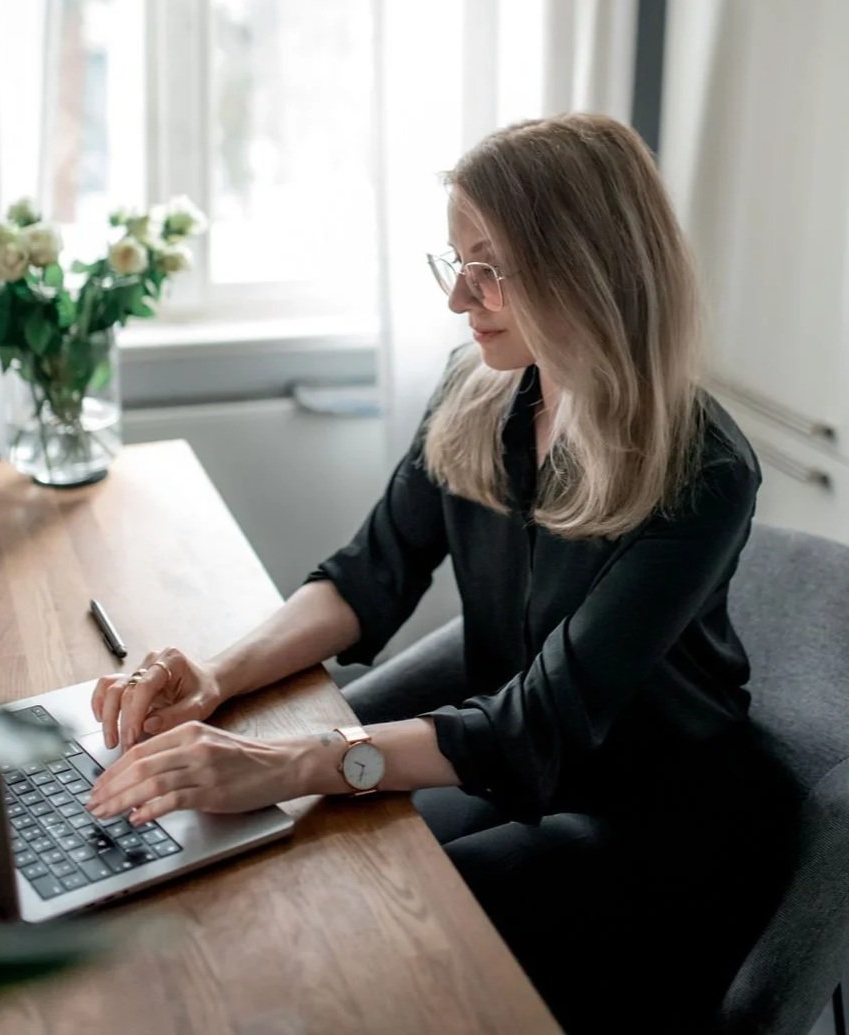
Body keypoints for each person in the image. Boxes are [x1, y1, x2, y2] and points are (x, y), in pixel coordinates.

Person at [88, 114, 793, 1034]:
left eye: (490, 265)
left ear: (585, 262)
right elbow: (367, 576)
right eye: (456, 259)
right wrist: (217, 674)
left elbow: (537, 725)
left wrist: (283, 761)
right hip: (517, 758)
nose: (461, 296)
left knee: (386, 924)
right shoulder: (481, 387)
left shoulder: (700, 470)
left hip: (656, 815)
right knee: (314, 861)